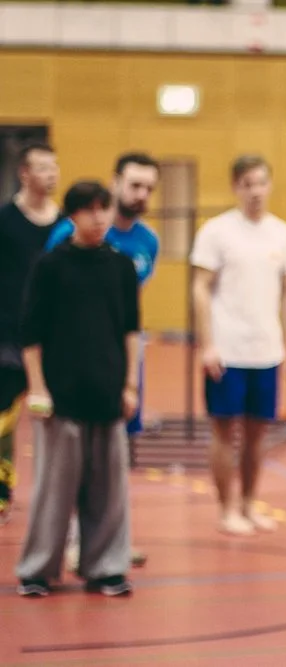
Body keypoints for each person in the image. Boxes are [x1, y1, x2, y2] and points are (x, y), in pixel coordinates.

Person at [15, 180, 138, 598]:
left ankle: (105, 568)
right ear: (72, 216)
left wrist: (129, 385)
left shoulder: (121, 267)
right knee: (54, 491)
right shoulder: (51, 266)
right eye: (90, 210)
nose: (99, 217)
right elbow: (30, 335)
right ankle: (38, 570)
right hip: (61, 397)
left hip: (107, 393)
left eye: (104, 209)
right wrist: (38, 388)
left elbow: (130, 331)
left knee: (109, 492)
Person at [48, 152, 160, 570]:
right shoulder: (69, 234)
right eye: (134, 185)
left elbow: (131, 310)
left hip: (122, 358)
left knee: (118, 451)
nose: (141, 194)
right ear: (115, 183)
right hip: (76, 360)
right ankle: (74, 540)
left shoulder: (148, 241)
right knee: (75, 456)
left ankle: (110, 539)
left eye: (149, 187)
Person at [191, 154, 286, 537]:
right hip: (227, 348)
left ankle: (249, 503)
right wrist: (208, 344)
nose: (255, 191)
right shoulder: (217, 231)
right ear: (236, 187)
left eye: (261, 183)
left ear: (270, 185)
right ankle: (226, 509)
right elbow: (201, 287)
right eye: (247, 184)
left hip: (265, 350)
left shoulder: (282, 233)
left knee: (258, 432)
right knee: (225, 431)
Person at [0, 142, 60, 525]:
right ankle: (3, 491)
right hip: (7, 337)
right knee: (4, 419)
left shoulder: (65, 225)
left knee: (55, 420)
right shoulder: (5, 220)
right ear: (24, 173)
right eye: (43, 168)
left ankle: (55, 497)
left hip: (54, 339)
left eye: (55, 167)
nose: (51, 174)